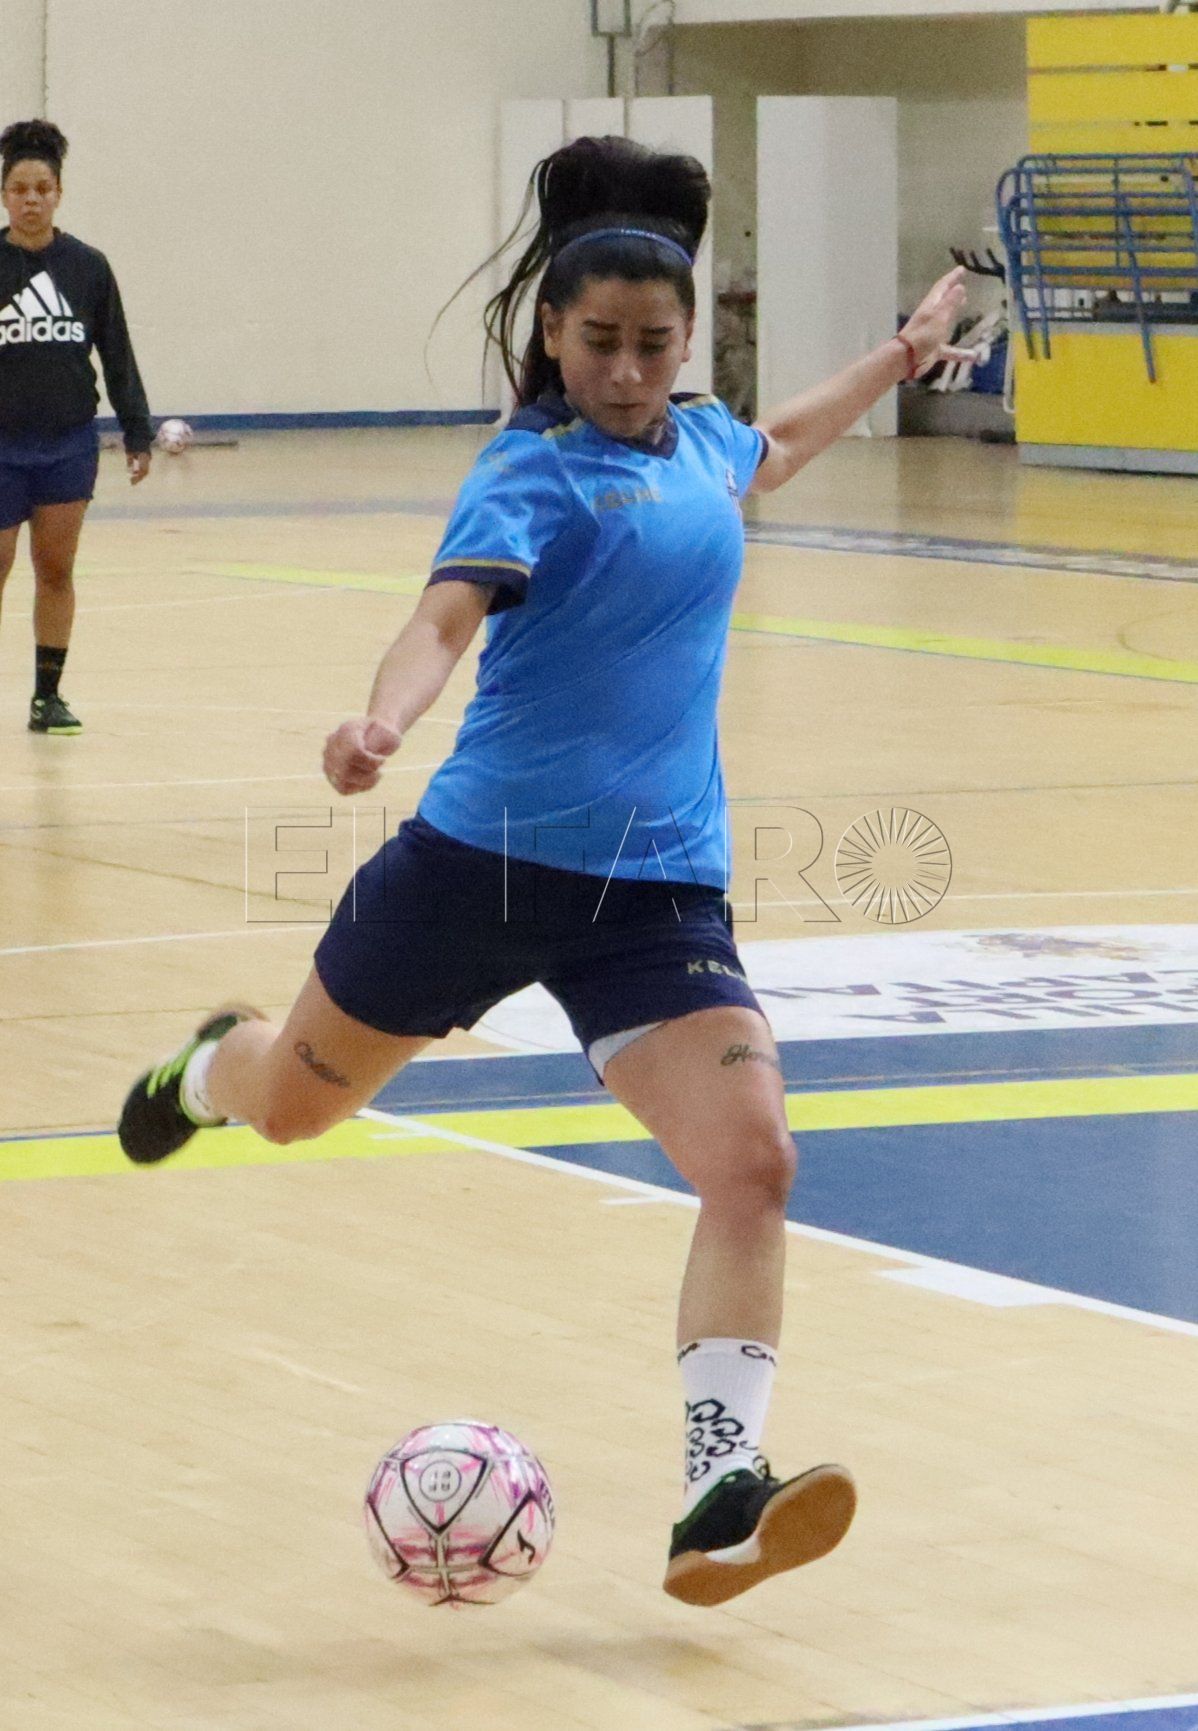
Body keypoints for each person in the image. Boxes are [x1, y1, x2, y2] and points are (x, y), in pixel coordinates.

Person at [117, 136, 968, 1605]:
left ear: (686, 338)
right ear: (553, 340)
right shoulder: (530, 472)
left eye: (653, 344)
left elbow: (779, 446)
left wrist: (894, 356)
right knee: (294, 1110)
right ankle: (212, 1065)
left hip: (656, 889)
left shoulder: (702, 441)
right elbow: (445, 618)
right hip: (476, 867)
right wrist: (383, 713)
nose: (627, 371)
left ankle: (715, 1490)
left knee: (752, 1158)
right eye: (599, 346)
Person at [0, 119, 153, 735]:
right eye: (18, 188)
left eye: (42, 187)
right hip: (1, 447)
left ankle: (48, 696)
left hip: (67, 445)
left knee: (56, 570)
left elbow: (116, 353)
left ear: (59, 192)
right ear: (5, 194)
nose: (31, 198)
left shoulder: (87, 267)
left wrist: (137, 432)